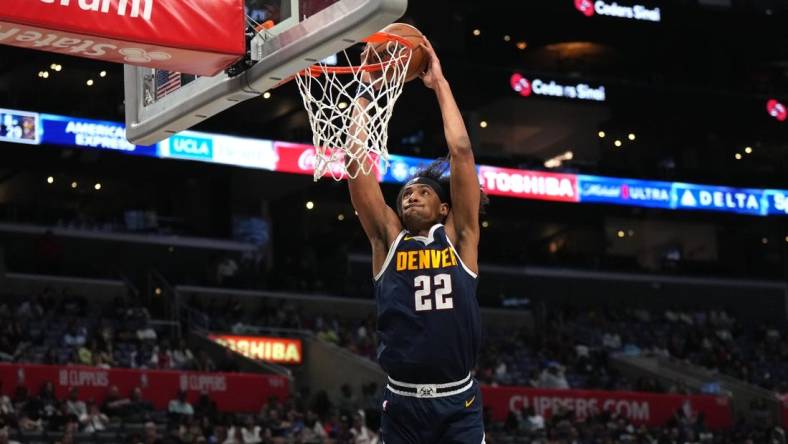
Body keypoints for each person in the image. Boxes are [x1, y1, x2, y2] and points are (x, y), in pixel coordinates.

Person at [347, 37, 487, 444]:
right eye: (406, 193)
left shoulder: (461, 238)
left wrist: (439, 84)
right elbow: (356, 162)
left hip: (457, 403)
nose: (412, 194)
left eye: (424, 191)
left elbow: (460, 150)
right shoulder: (386, 240)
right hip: (403, 403)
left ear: (444, 208)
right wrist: (366, 89)